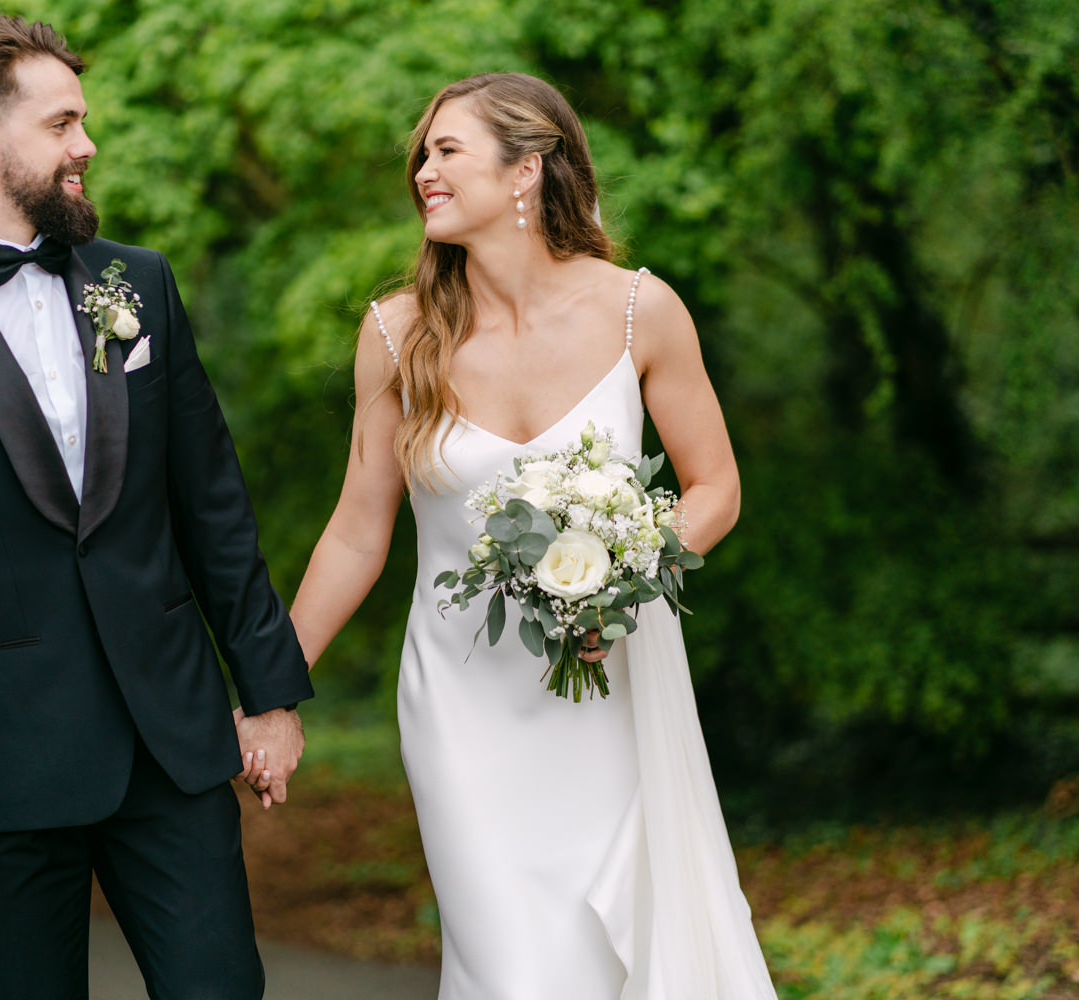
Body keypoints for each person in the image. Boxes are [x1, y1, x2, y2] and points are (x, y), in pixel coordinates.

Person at [0, 16, 312, 1000]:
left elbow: (211, 501)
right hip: (1, 770)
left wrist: (269, 690)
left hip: (170, 748)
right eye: (62, 124)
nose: (86, 145)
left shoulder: (134, 286)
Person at [284, 74, 777, 998]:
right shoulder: (398, 335)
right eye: (421, 156)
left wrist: (625, 575)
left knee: (619, 952)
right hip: (461, 705)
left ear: (528, 168)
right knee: (514, 970)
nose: (423, 171)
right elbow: (356, 532)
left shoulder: (640, 310)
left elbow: (715, 487)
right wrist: (274, 688)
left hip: (611, 694)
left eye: (447, 151)